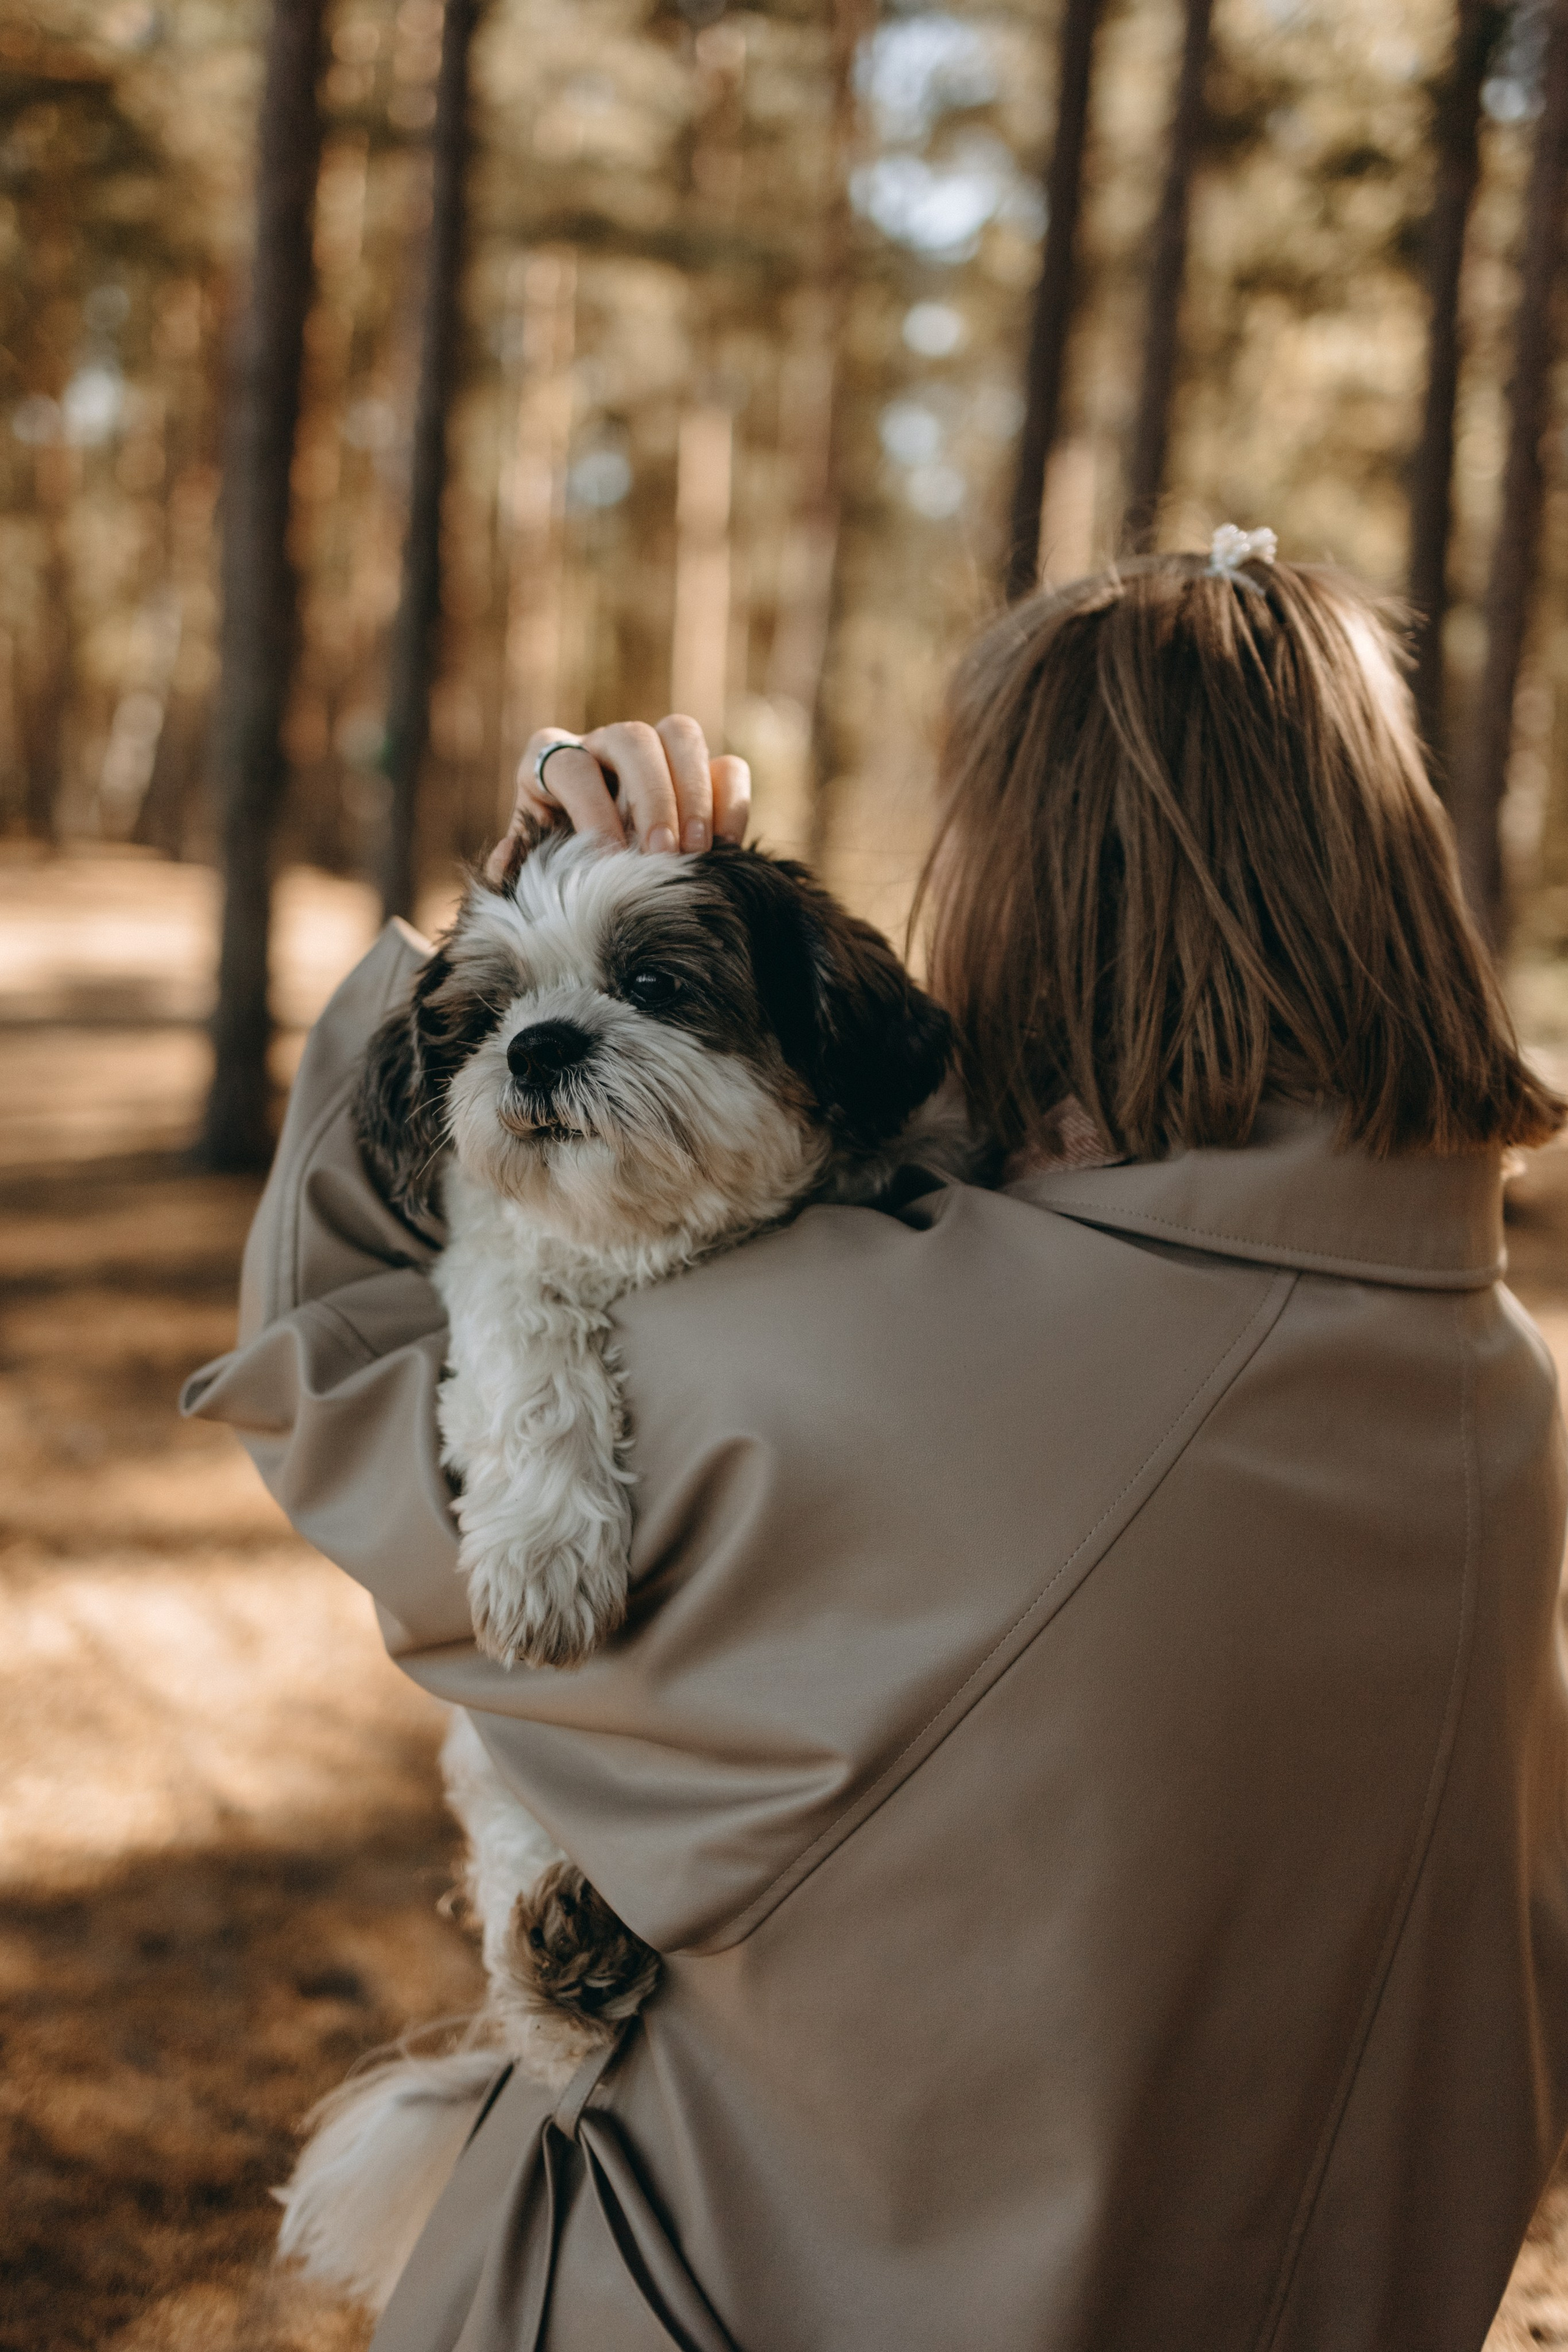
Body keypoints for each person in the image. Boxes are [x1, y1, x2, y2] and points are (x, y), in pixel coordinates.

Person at [184, 538, 1568, 2352]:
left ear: (1031, 894)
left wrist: (504, 900)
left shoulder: (853, 1359)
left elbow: (336, 1354)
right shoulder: (1505, 1405)